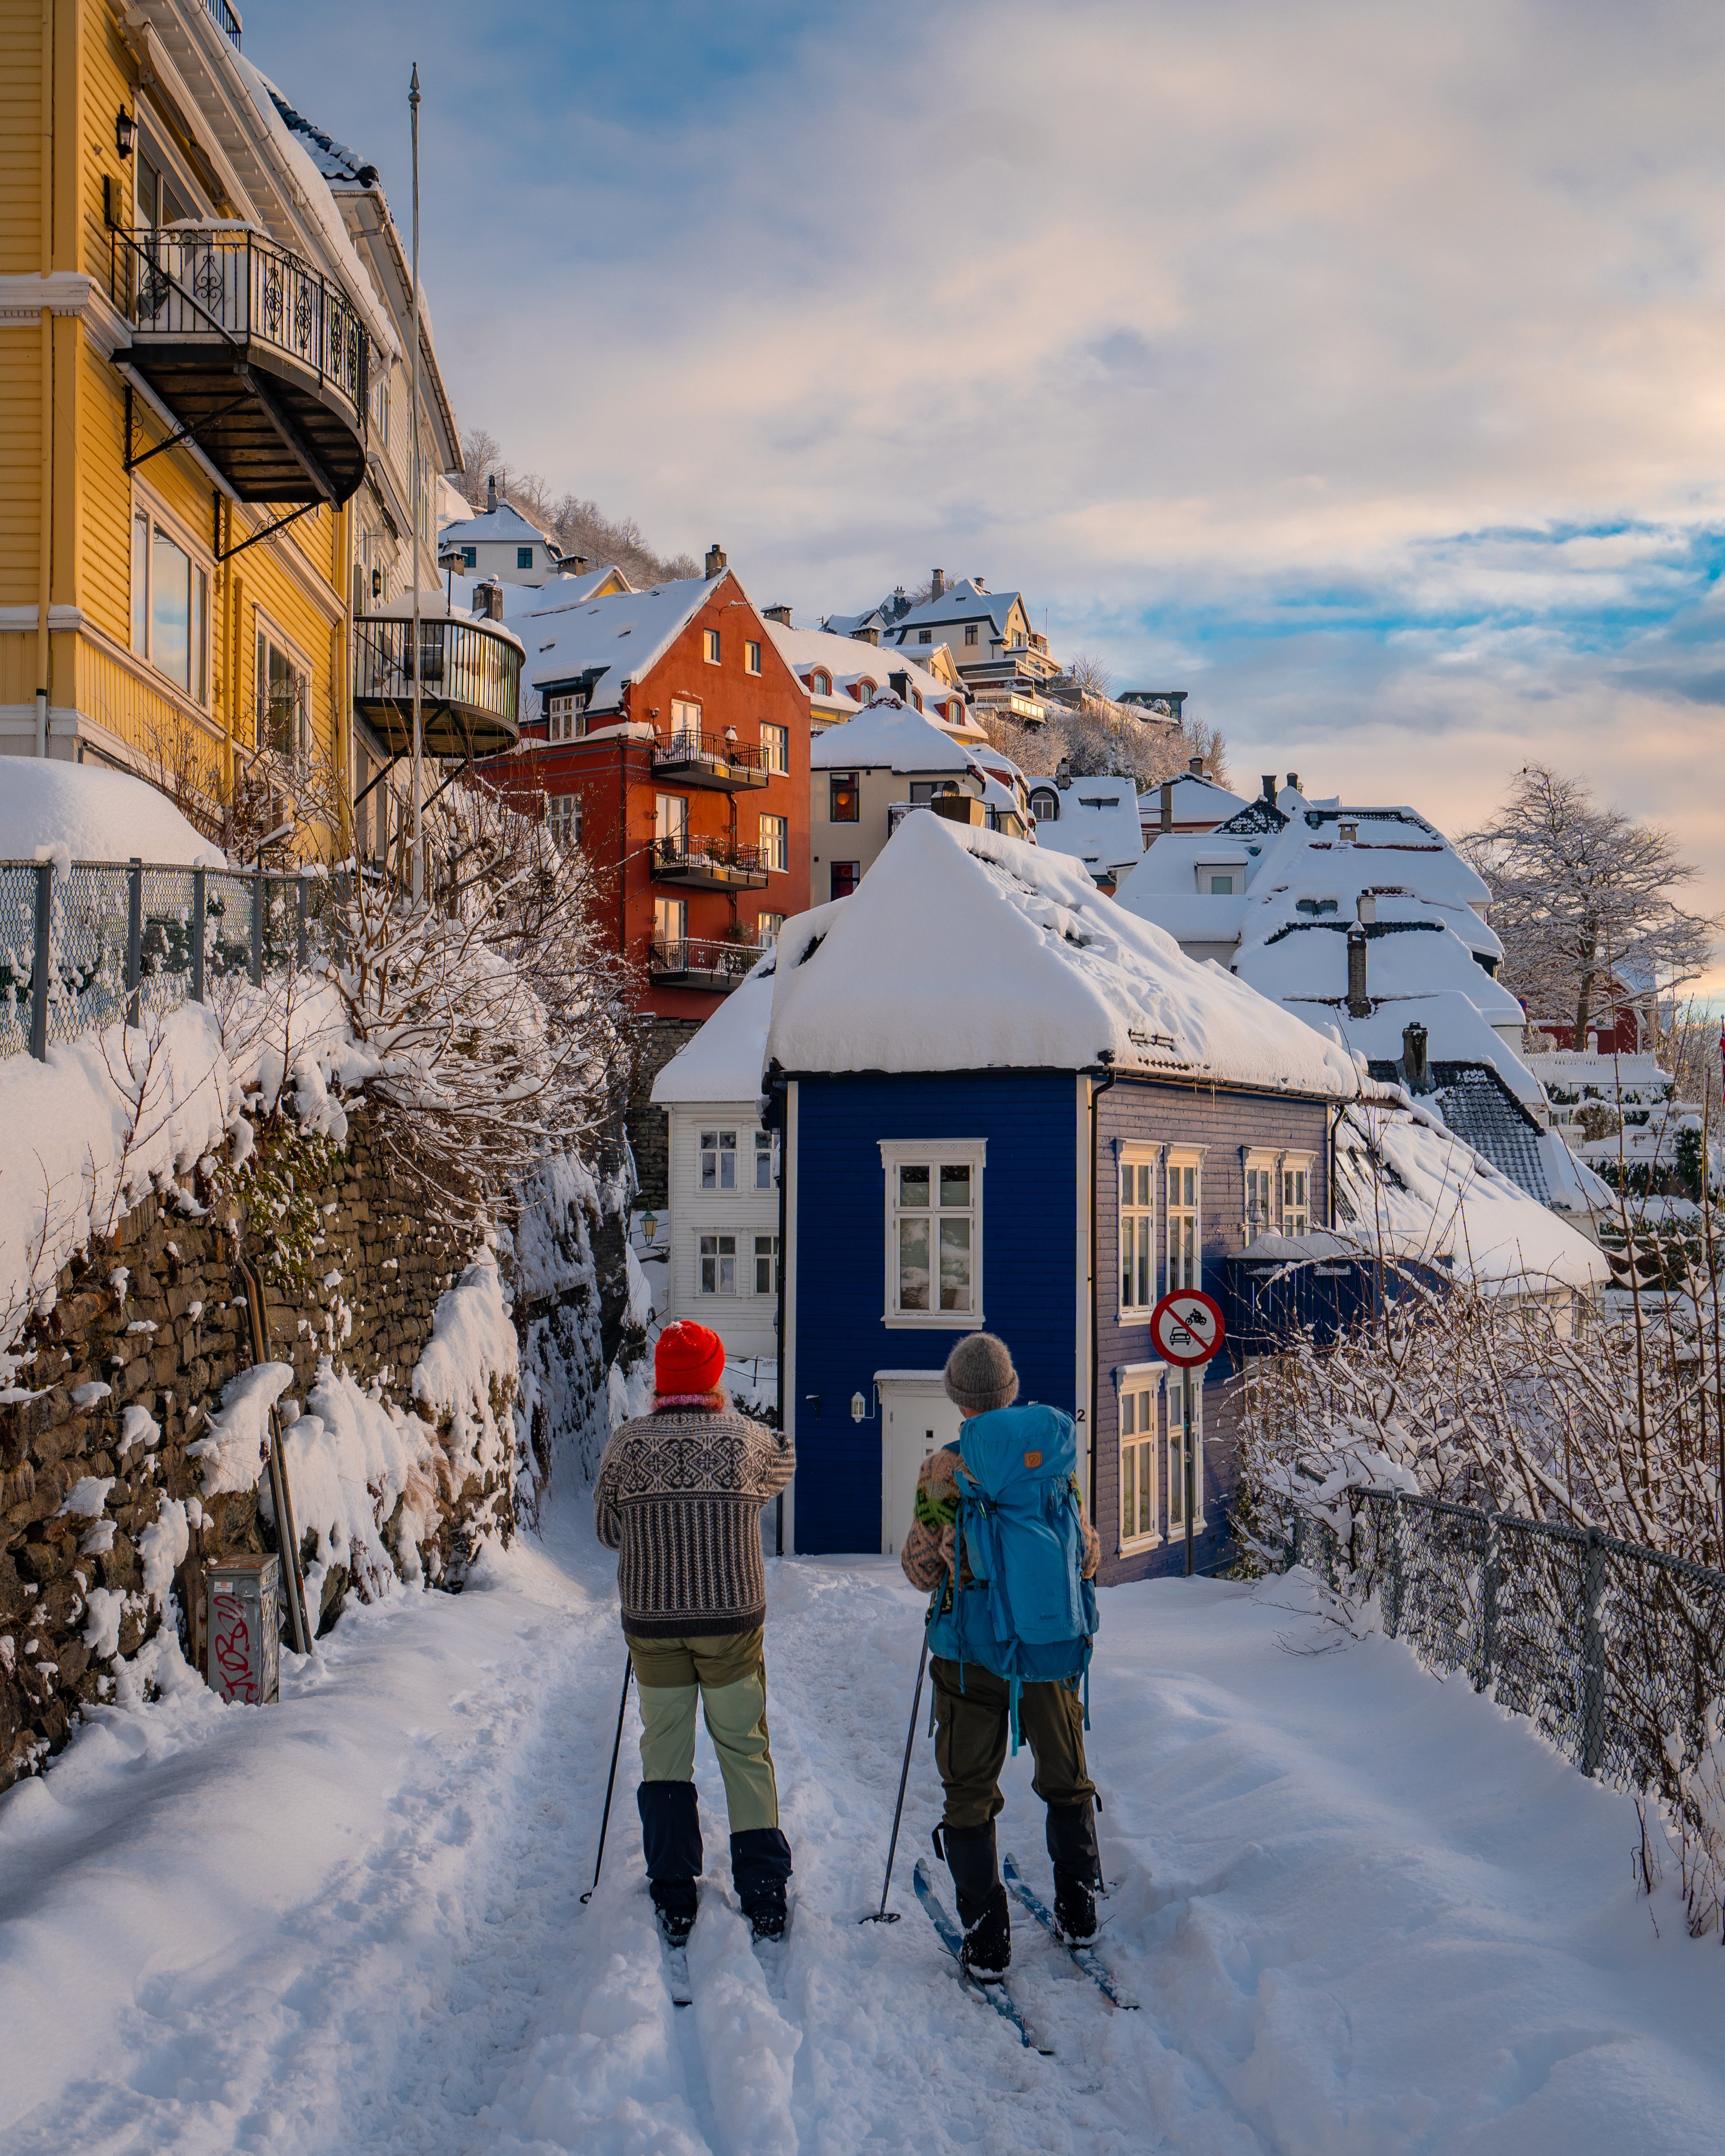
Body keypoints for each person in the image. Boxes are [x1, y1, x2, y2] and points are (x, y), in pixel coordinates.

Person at [900, 1331, 1103, 1979]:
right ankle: (1079, 1909)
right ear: (1011, 1390)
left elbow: (922, 1569)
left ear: (961, 1402)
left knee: (969, 1790)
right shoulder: (1052, 1461)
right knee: (1065, 1775)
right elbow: (1088, 1553)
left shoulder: (943, 1470)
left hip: (971, 1654)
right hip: (1046, 1648)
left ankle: (988, 1939)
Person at [594, 1318, 796, 1944]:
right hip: (732, 1620)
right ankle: (763, 1892)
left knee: (665, 1750)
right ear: (714, 1374)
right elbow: (783, 1463)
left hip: (654, 1623)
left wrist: (653, 1525)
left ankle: (674, 1890)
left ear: (660, 1377)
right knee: (743, 1748)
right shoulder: (746, 1440)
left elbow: (607, 1529)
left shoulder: (627, 1445)